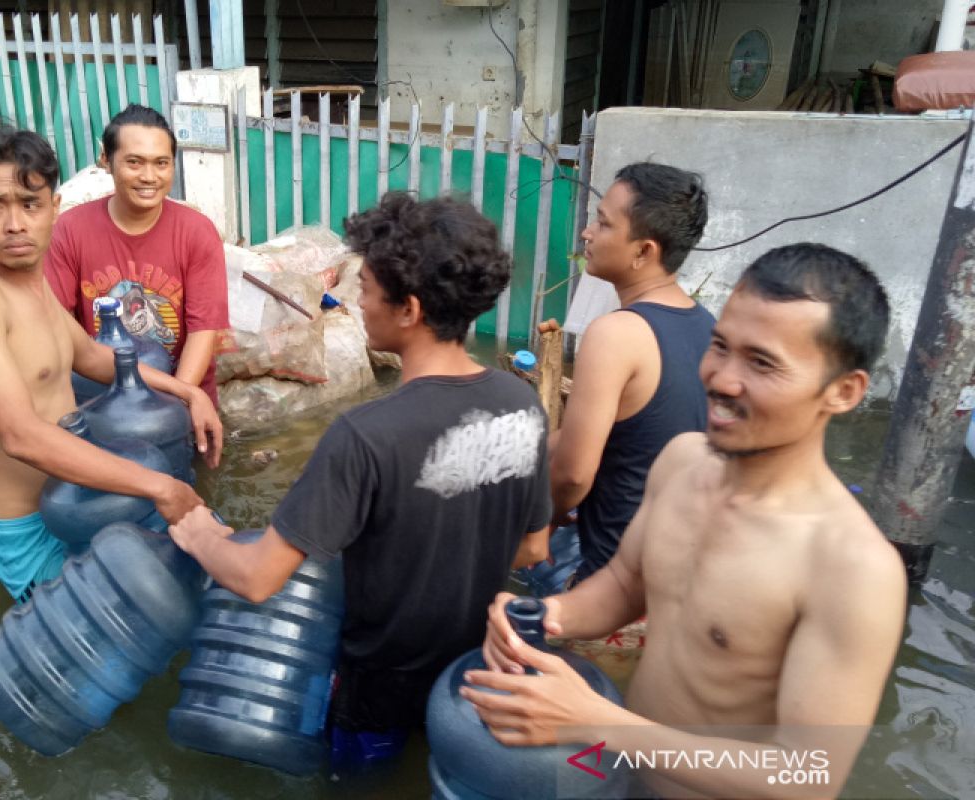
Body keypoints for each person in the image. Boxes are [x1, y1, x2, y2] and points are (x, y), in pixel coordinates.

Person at [466, 243, 907, 797]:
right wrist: (543, 614)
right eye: (721, 346)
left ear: (843, 392)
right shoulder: (681, 461)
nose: (722, 379)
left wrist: (596, 722)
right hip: (622, 775)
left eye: (763, 363)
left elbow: (810, 775)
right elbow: (627, 584)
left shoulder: (853, 567)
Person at [168, 193, 552, 765]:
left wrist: (198, 529)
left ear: (410, 310)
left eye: (367, 289)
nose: (358, 303)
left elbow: (257, 580)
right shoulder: (521, 403)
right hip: (469, 678)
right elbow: (532, 547)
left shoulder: (366, 434)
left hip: (377, 687)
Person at [0, 126, 223, 604]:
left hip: (81, 500)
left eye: (29, 204)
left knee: (198, 585)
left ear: (54, 207)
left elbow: (91, 357)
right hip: (26, 523)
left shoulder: (29, 277)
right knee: (119, 644)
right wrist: (159, 486)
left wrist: (187, 393)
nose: (15, 225)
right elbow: (20, 435)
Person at [548, 162, 715, 585]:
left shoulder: (616, 335)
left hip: (615, 582)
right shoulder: (709, 326)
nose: (587, 233)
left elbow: (572, 475)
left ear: (644, 251)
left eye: (603, 223)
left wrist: (540, 521)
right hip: (683, 575)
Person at [45, 104, 229, 405]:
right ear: (106, 159)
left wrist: (173, 408)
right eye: (134, 162)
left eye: (161, 163)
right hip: (98, 400)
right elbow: (55, 324)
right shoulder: (70, 229)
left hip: (184, 400)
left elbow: (202, 330)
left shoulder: (197, 232)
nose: (149, 176)